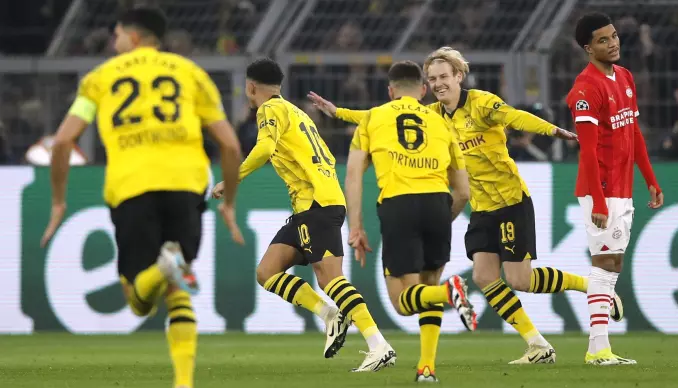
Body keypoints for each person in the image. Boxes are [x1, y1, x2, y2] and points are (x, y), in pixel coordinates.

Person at [308, 46, 622, 364]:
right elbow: (380, 117)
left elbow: (516, 117)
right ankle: (537, 345)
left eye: (444, 76)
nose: (438, 83)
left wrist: (553, 131)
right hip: (481, 207)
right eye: (432, 79)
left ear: (459, 76)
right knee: (485, 277)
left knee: (520, 280)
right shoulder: (431, 115)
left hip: (510, 200)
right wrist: (338, 113)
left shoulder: (482, 104)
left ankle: (591, 287)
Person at [40, 8, 245, 388]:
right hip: (187, 185)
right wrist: (229, 204)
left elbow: (65, 140)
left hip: (131, 186)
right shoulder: (191, 73)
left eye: (116, 35)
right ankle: (183, 383)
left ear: (133, 38)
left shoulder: (99, 78)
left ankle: (162, 269)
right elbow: (231, 145)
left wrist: (57, 203)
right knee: (177, 286)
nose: (113, 43)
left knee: (138, 299)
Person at [212, 58, 396, 372]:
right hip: (313, 204)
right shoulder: (296, 111)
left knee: (331, 279)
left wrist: (232, 178)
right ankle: (329, 315)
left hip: (316, 204)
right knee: (267, 272)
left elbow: (263, 148)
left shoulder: (268, 110)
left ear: (251, 86)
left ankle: (379, 345)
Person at [344, 61, 474, 382]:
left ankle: (449, 293)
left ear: (390, 92)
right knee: (426, 289)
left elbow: (353, 177)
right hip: (437, 202)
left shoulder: (373, 117)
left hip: (398, 203)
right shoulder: (442, 122)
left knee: (403, 302)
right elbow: (464, 190)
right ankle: (426, 367)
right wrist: (444, 218)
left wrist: (356, 226)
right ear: (423, 90)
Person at [567, 12, 663, 366]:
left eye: (614, 36)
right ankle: (598, 348)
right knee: (604, 263)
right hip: (601, 190)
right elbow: (588, 150)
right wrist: (598, 199)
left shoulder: (624, 77)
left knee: (613, 264)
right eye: (603, 40)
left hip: (622, 187)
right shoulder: (585, 89)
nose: (613, 43)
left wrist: (650, 179)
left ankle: (599, 348)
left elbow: (634, 133)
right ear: (588, 48)